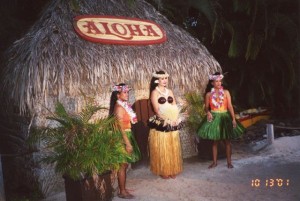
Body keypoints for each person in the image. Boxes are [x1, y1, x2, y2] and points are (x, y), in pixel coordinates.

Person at [197, 72, 245, 169]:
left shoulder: (226, 92)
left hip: (225, 117)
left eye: (220, 81)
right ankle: (214, 162)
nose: (219, 83)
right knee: (215, 141)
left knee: (227, 141)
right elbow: (206, 107)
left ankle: (229, 162)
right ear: (212, 83)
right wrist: (208, 112)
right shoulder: (208, 94)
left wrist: (233, 119)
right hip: (214, 117)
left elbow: (230, 106)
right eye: (216, 81)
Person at [148, 70, 183, 179]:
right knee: (163, 148)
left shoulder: (170, 91)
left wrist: (176, 118)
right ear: (157, 80)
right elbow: (157, 110)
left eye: (166, 78)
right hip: (162, 122)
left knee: (173, 147)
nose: (164, 81)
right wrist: (167, 119)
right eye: (162, 78)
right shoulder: (154, 92)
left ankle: (172, 168)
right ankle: (164, 170)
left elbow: (174, 106)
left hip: (172, 122)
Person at [109, 83, 141, 199]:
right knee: (122, 165)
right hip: (123, 137)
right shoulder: (118, 108)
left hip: (127, 134)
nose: (127, 94)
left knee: (124, 165)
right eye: (125, 92)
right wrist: (127, 143)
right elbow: (120, 128)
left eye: (128, 92)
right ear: (118, 95)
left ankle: (122, 188)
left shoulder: (124, 105)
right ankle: (122, 191)